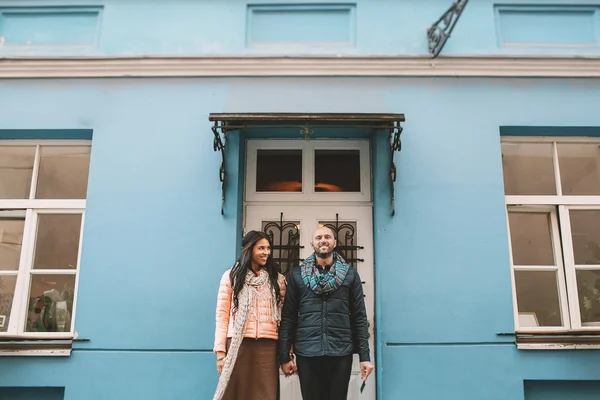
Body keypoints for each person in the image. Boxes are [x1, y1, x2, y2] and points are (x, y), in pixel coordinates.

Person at [278, 226, 374, 400]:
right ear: (312, 243)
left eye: (327, 237)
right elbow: (288, 318)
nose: (323, 240)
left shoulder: (350, 275)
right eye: (318, 237)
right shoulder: (297, 275)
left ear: (335, 243)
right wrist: (285, 356)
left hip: (340, 352)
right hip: (307, 353)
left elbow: (359, 316)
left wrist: (364, 357)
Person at [213, 231, 286, 400]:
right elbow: (222, 315)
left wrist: (287, 351)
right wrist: (220, 353)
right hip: (238, 345)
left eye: (268, 248)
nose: (266, 252)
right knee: (236, 393)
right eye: (261, 248)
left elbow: (284, 318)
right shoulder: (231, 276)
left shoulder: (277, 279)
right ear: (249, 249)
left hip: (267, 347)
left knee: (265, 394)